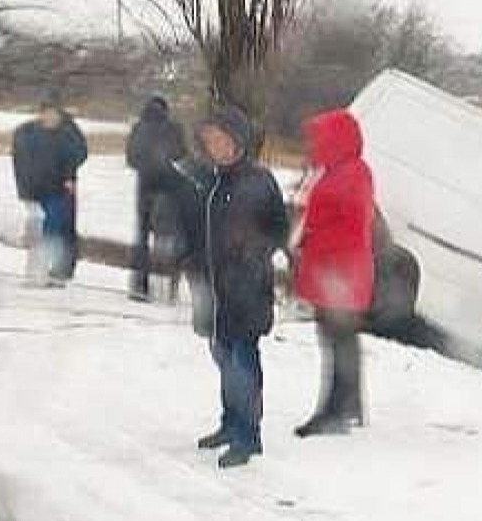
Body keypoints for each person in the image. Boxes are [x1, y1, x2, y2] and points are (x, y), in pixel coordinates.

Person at [192, 106, 289, 468]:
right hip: (217, 289)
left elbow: (279, 229)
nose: (214, 146)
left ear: (237, 141)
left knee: (243, 362)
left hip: (247, 290)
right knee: (223, 358)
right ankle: (230, 423)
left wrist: (252, 254)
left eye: (220, 139)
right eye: (209, 141)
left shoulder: (258, 181)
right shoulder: (214, 181)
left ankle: (249, 436)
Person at [293, 109, 375, 438]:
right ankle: (348, 406)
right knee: (340, 340)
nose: (313, 144)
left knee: (336, 340)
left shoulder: (351, 174)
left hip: (340, 273)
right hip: (335, 272)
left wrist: (311, 239)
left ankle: (333, 412)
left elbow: (352, 227)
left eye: (319, 137)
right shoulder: (337, 170)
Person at [11, 91, 88, 286]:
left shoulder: (67, 133)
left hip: (58, 190)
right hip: (37, 190)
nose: (50, 117)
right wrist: (25, 190)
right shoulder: (28, 133)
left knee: (55, 230)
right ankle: (38, 272)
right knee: (40, 230)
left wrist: (69, 176)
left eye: (54, 113)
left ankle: (56, 271)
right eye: (46, 112)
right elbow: (21, 162)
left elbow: (77, 154)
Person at [125, 95, 190, 302]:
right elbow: (182, 155)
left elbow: (131, 157)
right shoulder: (174, 129)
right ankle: (164, 284)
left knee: (142, 237)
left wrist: (145, 166)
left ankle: (139, 285)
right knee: (166, 237)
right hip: (168, 188)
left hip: (144, 187)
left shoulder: (138, 128)